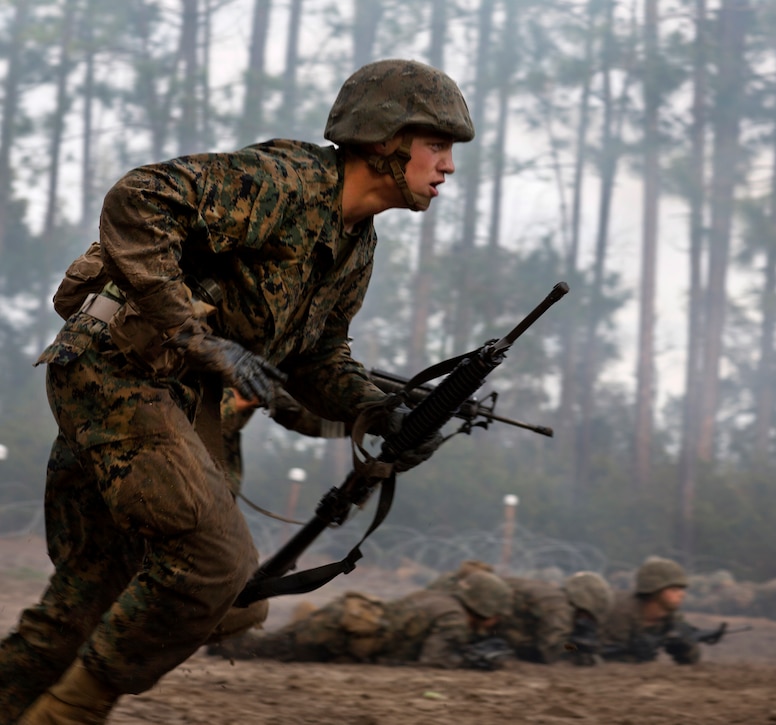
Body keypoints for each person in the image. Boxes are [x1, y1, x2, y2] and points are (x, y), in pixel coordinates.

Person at [0, 58, 473, 723]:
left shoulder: (356, 247)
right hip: (113, 370)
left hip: (161, 397)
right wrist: (202, 338)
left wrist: (386, 409)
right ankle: (69, 712)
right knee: (216, 561)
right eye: (439, 145)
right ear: (384, 138)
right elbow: (138, 198)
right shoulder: (284, 181)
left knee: (87, 600)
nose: (449, 166)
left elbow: (318, 363)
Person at [208, 570, 513, 669]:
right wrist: (471, 662)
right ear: (484, 607)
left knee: (276, 644)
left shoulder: (440, 600)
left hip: (346, 619)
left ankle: (222, 635)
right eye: (494, 615)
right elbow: (433, 662)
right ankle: (217, 638)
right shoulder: (454, 618)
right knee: (266, 651)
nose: (495, 621)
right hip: (343, 635)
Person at [428, 561, 614, 665]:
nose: (585, 622)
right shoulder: (558, 607)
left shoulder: (553, 600)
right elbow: (554, 650)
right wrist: (577, 650)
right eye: (587, 616)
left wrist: (577, 648)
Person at [599, 557, 712, 665]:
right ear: (654, 591)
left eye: (682, 589)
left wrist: (686, 647)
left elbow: (691, 659)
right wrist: (637, 655)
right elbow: (607, 655)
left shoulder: (671, 617)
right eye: (674, 589)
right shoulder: (622, 611)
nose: (682, 594)